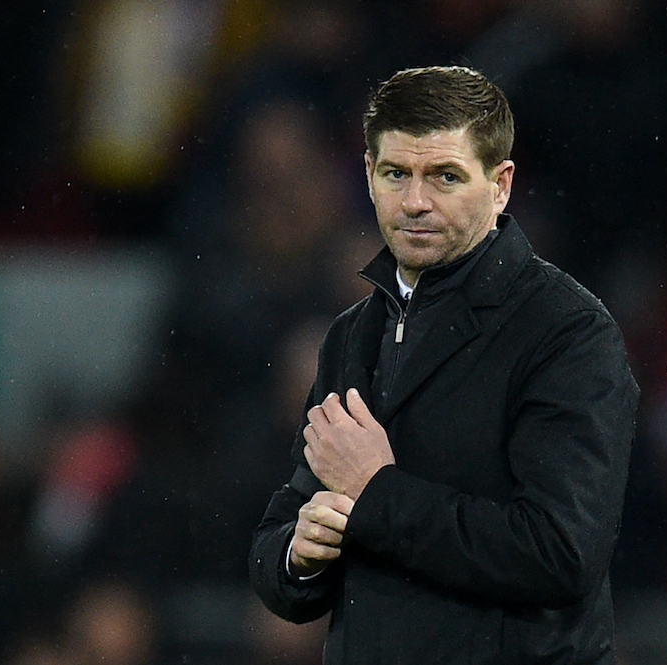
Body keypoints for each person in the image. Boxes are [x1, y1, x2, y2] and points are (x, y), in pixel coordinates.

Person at [249, 65, 639, 664]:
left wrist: (377, 494)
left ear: (501, 184)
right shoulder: (351, 337)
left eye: (445, 177)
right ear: (368, 176)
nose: (415, 202)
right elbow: (280, 538)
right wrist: (297, 555)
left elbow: (561, 555)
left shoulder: (569, 334)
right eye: (396, 173)